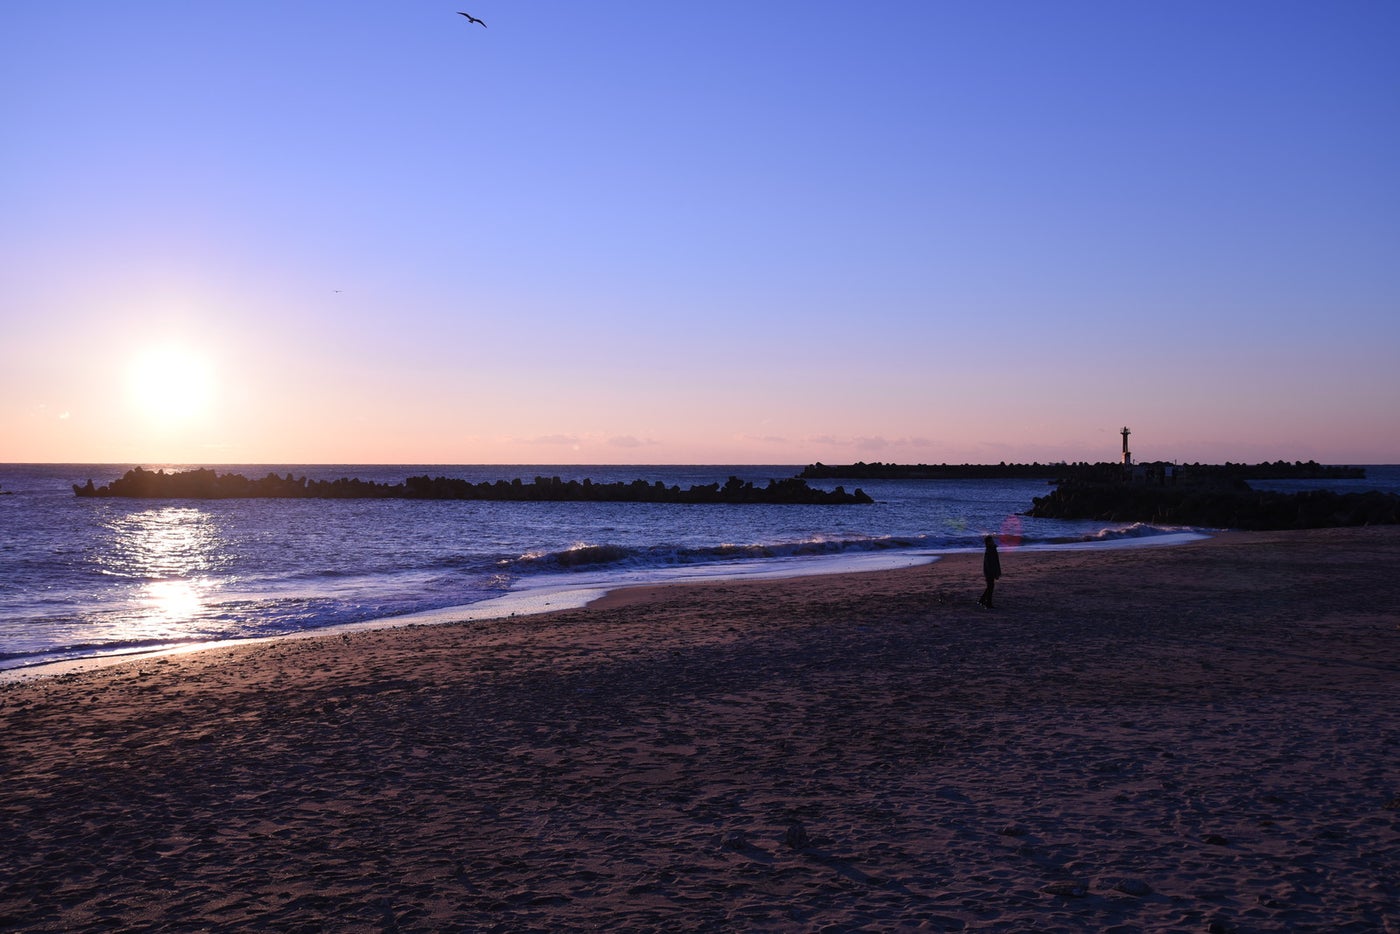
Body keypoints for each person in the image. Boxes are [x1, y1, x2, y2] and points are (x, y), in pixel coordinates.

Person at [977, 535, 1001, 608]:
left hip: (990, 571)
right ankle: (987, 603)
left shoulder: (991, 549)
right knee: (990, 587)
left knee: (990, 586)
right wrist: (994, 572)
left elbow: (995, 562)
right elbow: (991, 563)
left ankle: (982, 600)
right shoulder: (990, 550)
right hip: (990, 571)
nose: (993, 542)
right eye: (991, 541)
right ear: (988, 542)